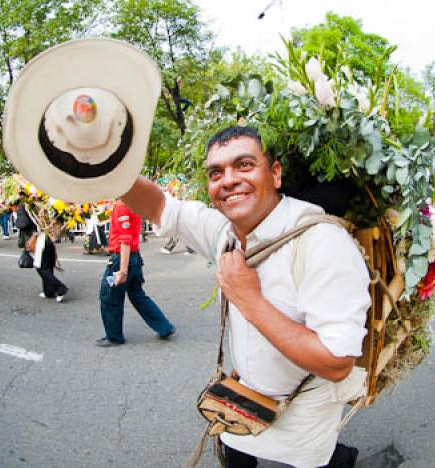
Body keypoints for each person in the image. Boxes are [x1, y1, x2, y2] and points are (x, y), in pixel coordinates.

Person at [120, 126, 368, 467]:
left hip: (303, 421)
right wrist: (106, 168)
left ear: (276, 174)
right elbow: (161, 206)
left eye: (245, 165)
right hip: (243, 401)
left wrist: (248, 299)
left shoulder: (322, 242)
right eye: (216, 172)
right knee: (236, 453)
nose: (229, 180)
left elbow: (337, 362)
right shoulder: (224, 232)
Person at [95, 199, 176, 347]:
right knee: (137, 295)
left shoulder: (122, 206)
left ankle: (114, 337)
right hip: (134, 257)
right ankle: (164, 327)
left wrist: (122, 271)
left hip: (121, 259)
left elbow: (124, 240)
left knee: (109, 296)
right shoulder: (134, 203)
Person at [34, 227, 68, 303]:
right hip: (49, 242)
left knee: (42, 268)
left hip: (45, 242)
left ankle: (61, 288)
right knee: (48, 267)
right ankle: (48, 291)